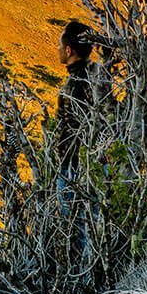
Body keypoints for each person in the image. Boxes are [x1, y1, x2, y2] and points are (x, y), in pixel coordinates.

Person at [54, 17, 107, 197]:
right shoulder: (99, 76)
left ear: (68, 51)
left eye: (60, 46)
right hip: (97, 162)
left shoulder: (72, 86)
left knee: (72, 222)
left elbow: (71, 128)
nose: (58, 49)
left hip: (73, 165)